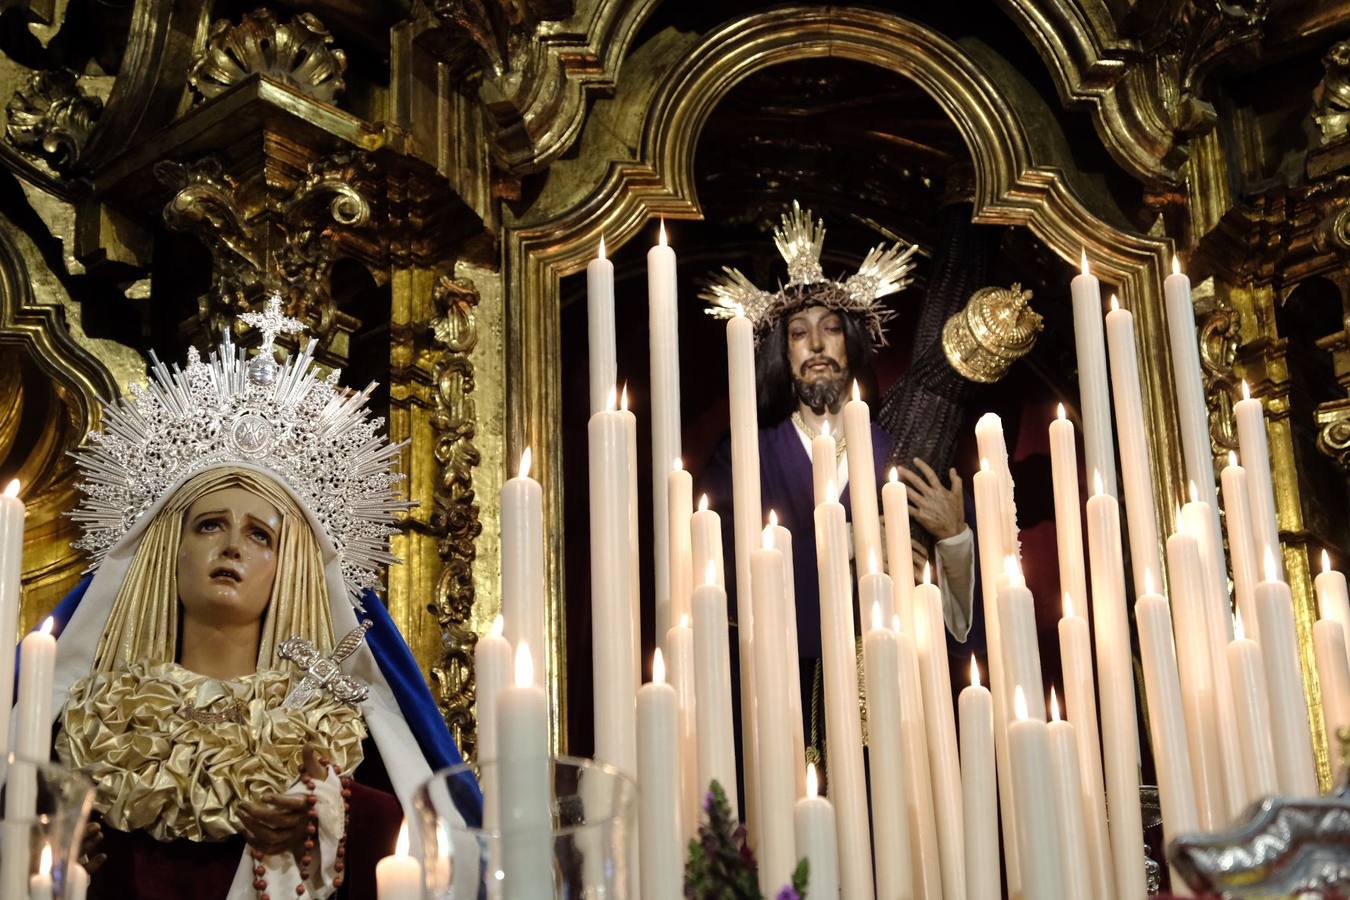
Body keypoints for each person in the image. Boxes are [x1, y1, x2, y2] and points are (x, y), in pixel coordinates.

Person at [31, 300, 480, 899]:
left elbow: (434, 856)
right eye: (210, 524)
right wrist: (50, 855)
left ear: (289, 568)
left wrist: (330, 820)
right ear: (170, 548)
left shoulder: (330, 741)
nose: (233, 546)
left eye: (260, 534)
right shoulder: (89, 725)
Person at [699, 202, 979, 762]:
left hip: (886, 694)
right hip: (775, 697)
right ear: (783, 351)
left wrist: (953, 541)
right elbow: (716, 584)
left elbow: (957, 625)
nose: (818, 345)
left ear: (851, 342)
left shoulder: (896, 452)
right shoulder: (745, 457)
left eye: (831, 329)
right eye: (799, 333)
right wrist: (851, 547)